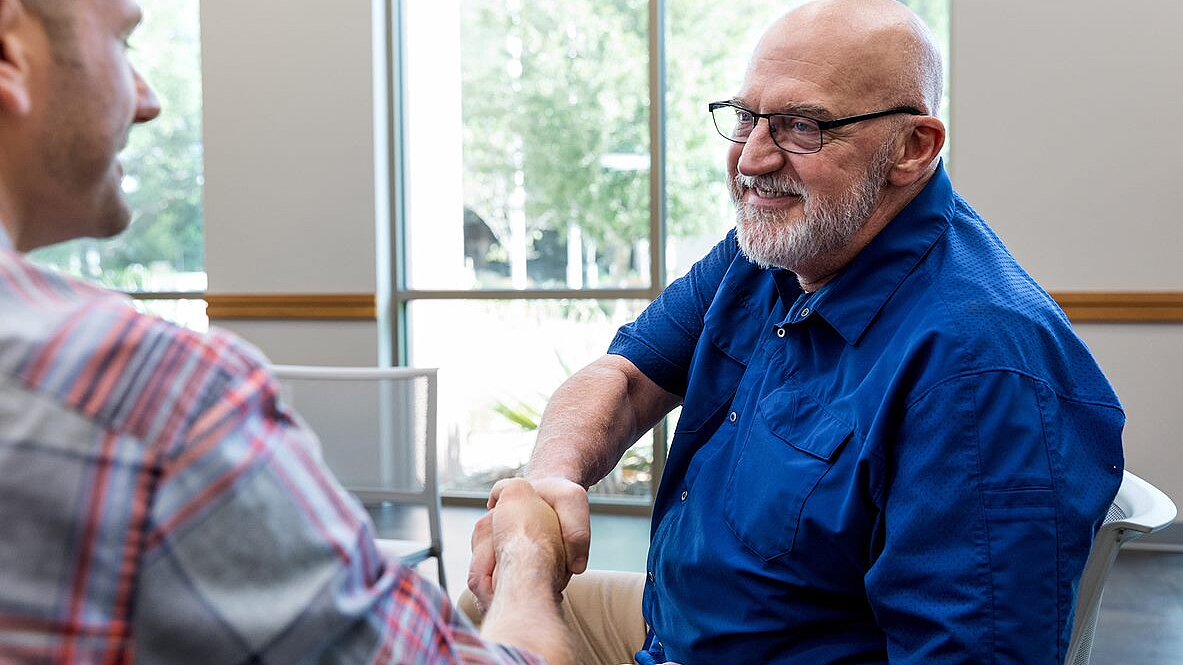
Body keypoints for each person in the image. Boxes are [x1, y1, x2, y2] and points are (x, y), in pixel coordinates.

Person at [467, 0, 1125, 663]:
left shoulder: (978, 370)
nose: (750, 160)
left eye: (800, 126)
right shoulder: (777, 250)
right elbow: (627, 377)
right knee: (481, 604)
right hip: (670, 629)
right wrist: (552, 483)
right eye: (746, 117)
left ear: (912, 148)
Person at [0, 0, 573, 663]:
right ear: (10, 48)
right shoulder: (145, 397)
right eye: (124, 44)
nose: (149, 101)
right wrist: (528, 551)